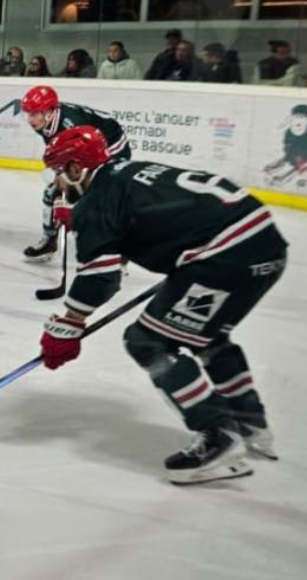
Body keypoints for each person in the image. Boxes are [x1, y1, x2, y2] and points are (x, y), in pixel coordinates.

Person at [37, 126, 287, 485]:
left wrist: (68, 325)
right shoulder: (126, 171)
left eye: (59, 171)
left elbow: (101, 278)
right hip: (265, 244)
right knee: (205, 336)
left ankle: (219, 434)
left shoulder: (97, 200)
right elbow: (142, 227)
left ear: (76, 168)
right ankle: (249, 421)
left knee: (147, 341)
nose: (57, 183)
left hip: (226, 256)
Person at [20, 85, 128, 262]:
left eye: (34, 113)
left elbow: (84, 162)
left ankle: (118, 249)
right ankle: (49, 240)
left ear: (49, 112)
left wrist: (70, 194)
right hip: (86, 147)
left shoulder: (71, 125)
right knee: (52, 192)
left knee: (102, 194)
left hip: (111, 146)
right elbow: (60, 156)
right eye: (28, 114)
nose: (30, 119)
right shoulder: (45, 122)